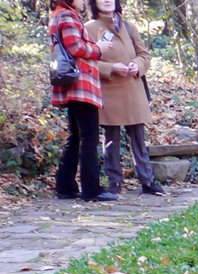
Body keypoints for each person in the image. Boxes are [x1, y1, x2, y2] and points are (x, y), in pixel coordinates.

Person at [86, 0, 163, 196]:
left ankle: (147, 180)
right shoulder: (89, 28)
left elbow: (144, 55)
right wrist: (111, 68)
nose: (107, 0)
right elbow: (87, 62)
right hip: (108, 90)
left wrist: (137, 65)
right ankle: (114, 182)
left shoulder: (129, 26)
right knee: (111, 140)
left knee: (138, 138)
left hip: (133, 88)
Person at [50, 0, 119, 201]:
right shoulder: (67, 16)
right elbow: (76, 48)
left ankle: (66, 186)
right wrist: (99, 49)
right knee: (88, 138)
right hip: (81, 85)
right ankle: (91, 189)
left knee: (76, 137)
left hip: (74, 84)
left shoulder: (59, 14)